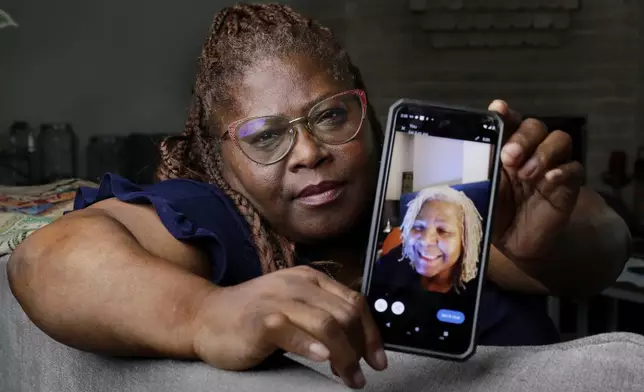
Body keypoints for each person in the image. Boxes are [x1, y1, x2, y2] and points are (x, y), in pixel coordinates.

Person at [6, 3, 631, 390]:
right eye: (265, 136)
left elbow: (606, 248)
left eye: (331, 116)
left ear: (367, 111)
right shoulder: (216, 218)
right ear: (220, 157)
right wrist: (202, 317)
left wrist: (547, 242)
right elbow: (48, 260)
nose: (307, 152)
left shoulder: (430, 195)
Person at [383, 185, 484, 294]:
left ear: (465, 240)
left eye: (443, 230)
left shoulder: (481, 298)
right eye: (418, 227)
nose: (425, 240)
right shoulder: (395, 263)